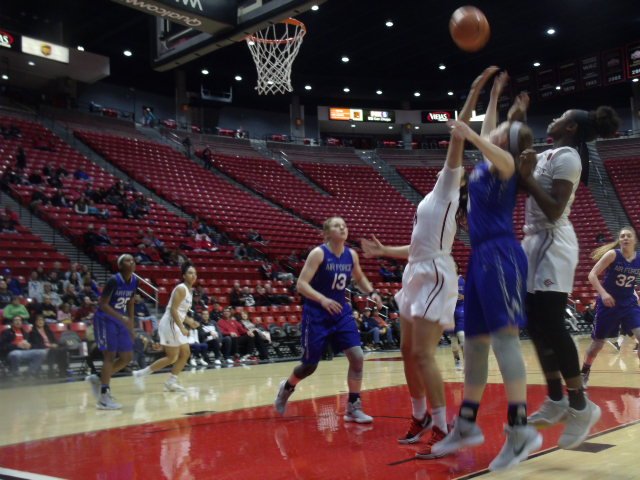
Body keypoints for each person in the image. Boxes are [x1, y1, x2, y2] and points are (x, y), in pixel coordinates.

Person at [360, 68, 495, 458]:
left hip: (435, 274)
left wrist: (474, 90)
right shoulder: (432, 199)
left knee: (423, 354)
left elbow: (458, 135)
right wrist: (385, 251)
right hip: (416, 269)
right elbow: (417, 248)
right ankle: (419, 415)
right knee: (407, 351)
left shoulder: (450, 185)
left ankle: (442, 426)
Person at [432, 69, 542, 471]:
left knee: (504, 342)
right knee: (476, 344)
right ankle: (466, 423)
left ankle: (520, 429)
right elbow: (488, 132)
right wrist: (493, 97)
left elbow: (499, 150)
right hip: (479, 258)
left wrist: (472, 134)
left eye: (498, 132)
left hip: (501, 255)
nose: (490, 131)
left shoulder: (507, 166)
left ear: (506, 143)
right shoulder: (485, 164)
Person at [517, 103, 620, 448]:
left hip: (553, 242)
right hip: (533, 241)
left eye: (561, 116)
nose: (554, 118)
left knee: (551, 323)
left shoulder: (569, 158)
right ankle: (556, 399)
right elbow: (521, 185)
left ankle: (580, 405)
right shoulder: (546, 154)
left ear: (571, 128)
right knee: (535, 324)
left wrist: (526, 177)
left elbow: (554, 209)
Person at [274, 216, 382, 424]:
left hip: (341, 312)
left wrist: (372, 292)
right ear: (326, 233)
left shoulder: (351, 255)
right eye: (336, 225)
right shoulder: (318, 254)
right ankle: (286, 387)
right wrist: (322, 299)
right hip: (317, 314)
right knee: (309, 366)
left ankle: (353, 407)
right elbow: (301, 284)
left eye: (344, 225)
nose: (342, 228)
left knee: (357, 357)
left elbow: (359, 278)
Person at [581, 227, 640, 387]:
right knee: (597, 344)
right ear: (619, 240)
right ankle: (585, 371)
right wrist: (604, 294)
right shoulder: (613, 254)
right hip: (609, 304)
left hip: (628, 303)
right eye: (622, 236)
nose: (625, 238)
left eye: (628, 236)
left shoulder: (638, 259)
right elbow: (592, 275)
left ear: (634, 240)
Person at [133, 262, 199, 392]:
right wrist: (182, 327)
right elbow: (173, 310)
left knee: (184, 354)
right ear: (184, 275)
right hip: (170, 324)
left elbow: (181, 312)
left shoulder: (190, 291)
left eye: (195, 273)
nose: (193, 275)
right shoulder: (181, 289)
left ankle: (169, 381)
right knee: (172, 357)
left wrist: (190, 321)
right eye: (190, 273)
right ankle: (141, 374)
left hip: (175, 324)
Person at [85, 255, 138, 410]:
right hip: (105, 319)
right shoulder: (114, 280)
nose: (132, 262)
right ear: (120, 266)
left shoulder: (135, 280)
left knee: (127, 357)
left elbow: (131, 302)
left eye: (133, 260)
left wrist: (131, 325)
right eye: (127, 260)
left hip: (121, 320)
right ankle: (103, 397)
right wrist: (121, 317)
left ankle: (98, 378)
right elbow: (102, 304)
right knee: (110, 355)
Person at [449, 264, 466, 370]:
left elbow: (468, 294)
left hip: (460, 310)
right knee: (454, 343)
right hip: (449, 312)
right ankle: (457, 361)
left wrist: (464, 296)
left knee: (462, 337)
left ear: (457, 268)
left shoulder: (462, 281)